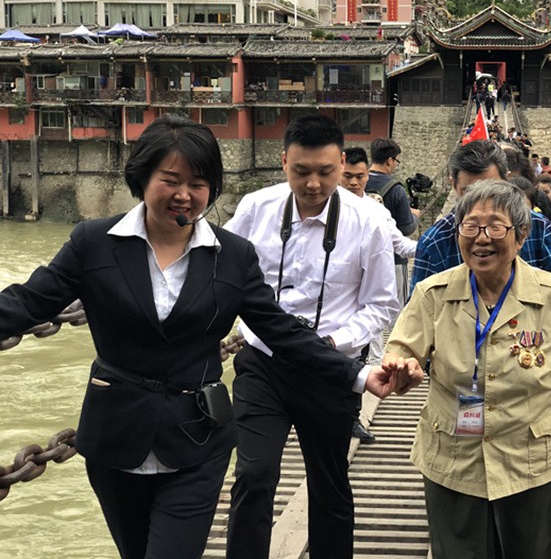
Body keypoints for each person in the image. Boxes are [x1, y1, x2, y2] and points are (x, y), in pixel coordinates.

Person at [0, 115, 414, 559]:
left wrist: (358, 375)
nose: (184, 194)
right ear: (142, 177)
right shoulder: (94, 243)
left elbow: (280, 328)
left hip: (196, 438)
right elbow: (29, 301)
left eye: (198, 184)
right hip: (117, 436)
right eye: (170, 180)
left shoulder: (232, 256)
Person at [386, 180, 551, 559]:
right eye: (471, 226)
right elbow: (403, 349)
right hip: (454, 459)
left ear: (521, 237)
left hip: (529, 461)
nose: (481, 238)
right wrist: (401, 367)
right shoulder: (432, 294)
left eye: (495, 227)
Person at [224, 115, 400, 559]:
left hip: (330, 368)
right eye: (301, 171)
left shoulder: (370, 222)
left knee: (329, 483)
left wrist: (334, 344)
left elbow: (382, 304)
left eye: (326, 172)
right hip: (263, 363)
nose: (314, 184)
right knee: (253, 475)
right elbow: (219, 276)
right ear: (284, 162)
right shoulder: (255, 208)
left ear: (343, 165)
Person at [411, 140, 551, 293]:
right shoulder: (435, 242)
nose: (480, 201)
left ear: (508, 180)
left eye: (492, 189)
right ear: (453, 184)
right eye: (469, 192)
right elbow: (420, 308)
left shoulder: (538, 226)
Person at [343, 146, 417, 363]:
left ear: (367, 175)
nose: (354, 183)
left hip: (368, 288)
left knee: (373, 338)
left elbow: (401, 245)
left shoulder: (377, 212)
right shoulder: (322, 208)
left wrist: (431, 246)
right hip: (336, 291)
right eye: (347, 176)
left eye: (359, 176)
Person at [367, 137, 420, 309]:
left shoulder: (359, 183)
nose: (396, 165)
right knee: (397, 309)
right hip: (393, 258)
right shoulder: (396, 189)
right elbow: (406, 228)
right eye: (396, 161)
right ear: (389, 161)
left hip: (364, 257)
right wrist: (415, 216)